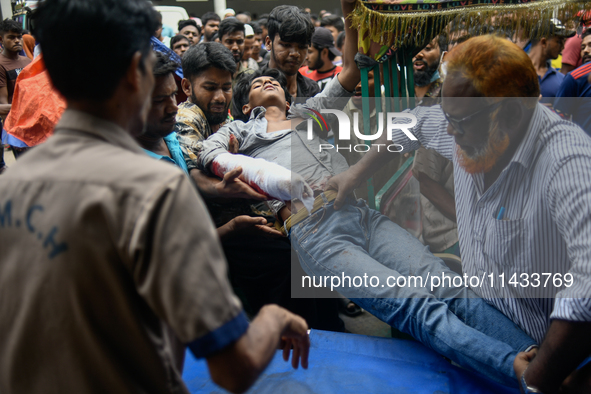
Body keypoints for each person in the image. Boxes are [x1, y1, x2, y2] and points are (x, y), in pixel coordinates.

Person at [199, 4, 537, 387]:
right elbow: (209, 154)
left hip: (360, 213)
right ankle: (517, 370)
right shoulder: (242, 133)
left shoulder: (310, 112)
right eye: (259, 85)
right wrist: (234, 175)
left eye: (273, 82)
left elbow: (350, 72)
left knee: (449, 286)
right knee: (414, 304)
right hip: (318, 234)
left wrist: (350, 13)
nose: (269, 82)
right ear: (246, 108)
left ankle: (543, 358)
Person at [0, 1, 310, 393]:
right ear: (136, 72)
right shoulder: (156, 190)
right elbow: (235, 367)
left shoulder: (13, 183)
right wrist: (274, 318)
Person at [327, 34, 591, 393]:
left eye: (461, 123)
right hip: (490, 313)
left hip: (556, 351)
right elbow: (413, 124)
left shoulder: (570, 164)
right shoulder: (466, 119)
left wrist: (539, 381)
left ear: (512, 113)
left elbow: (586, 289)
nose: (449, 131)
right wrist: (353, 175)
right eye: (448, 117)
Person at [174, 43, 344, 331]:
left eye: (226, 87)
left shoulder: (231, 121)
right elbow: (196, 174)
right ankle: (306, 345)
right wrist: (224, 188)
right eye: (210, 87)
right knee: (286, 264)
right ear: (187, 87)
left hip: (258, 215)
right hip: (225, 229)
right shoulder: (189, 116)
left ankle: (330, 334)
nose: (219, 96)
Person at [263, 6, 319, 98]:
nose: (295, 53)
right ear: (269, 43)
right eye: (286, 45)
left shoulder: (312, 91)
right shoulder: (248, 87)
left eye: (302, 47)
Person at [0, 18, 32, 162]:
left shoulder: (28, 62)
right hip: (17, 127)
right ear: (1, 39)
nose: (17, 41)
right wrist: (13, 134)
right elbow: (3, 103)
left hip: (34, 123)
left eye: (19, 37)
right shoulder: (1, 64)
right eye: (11, 37)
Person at [528, 19, 575, 102]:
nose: (563, 47)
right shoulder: (515, 72)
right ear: (544, 42)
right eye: (559, 41)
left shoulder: (561, 80)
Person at [554, 29, 591, 135]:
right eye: (583, 47)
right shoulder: (575, 77)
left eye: (590, 45)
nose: (585, 51)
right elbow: (559, 117)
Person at [299, 27, 342, 92]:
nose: (306, 57)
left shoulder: (341, 76)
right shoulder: (301, 74)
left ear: (324, 52)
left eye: (310, 52)